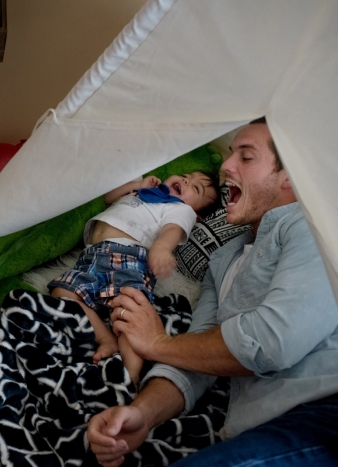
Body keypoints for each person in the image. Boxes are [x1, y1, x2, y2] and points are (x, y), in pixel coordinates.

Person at [86, 119, 338, 466]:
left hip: (324, 414)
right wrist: (142, 414)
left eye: (246, 158)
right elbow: (197, 358)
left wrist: (157, 343)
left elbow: (272, 341)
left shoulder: (315, 226)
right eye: (231, 154)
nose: (226, 166)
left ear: (289, 177)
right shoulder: (224, 258)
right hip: (260, 427)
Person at [48, 170, 220, 387]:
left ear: (197, 215)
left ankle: (131, 377)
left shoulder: (181, 209)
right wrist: (137, 184)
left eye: (196, 188)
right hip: (91, 256)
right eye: (187, 175)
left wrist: (161, 247)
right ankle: (105, 339)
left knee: (130, 314)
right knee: (62, 291)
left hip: (127, 256)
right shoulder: (142, 193)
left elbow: (172, 230)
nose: (187, 180)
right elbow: (109, 198)